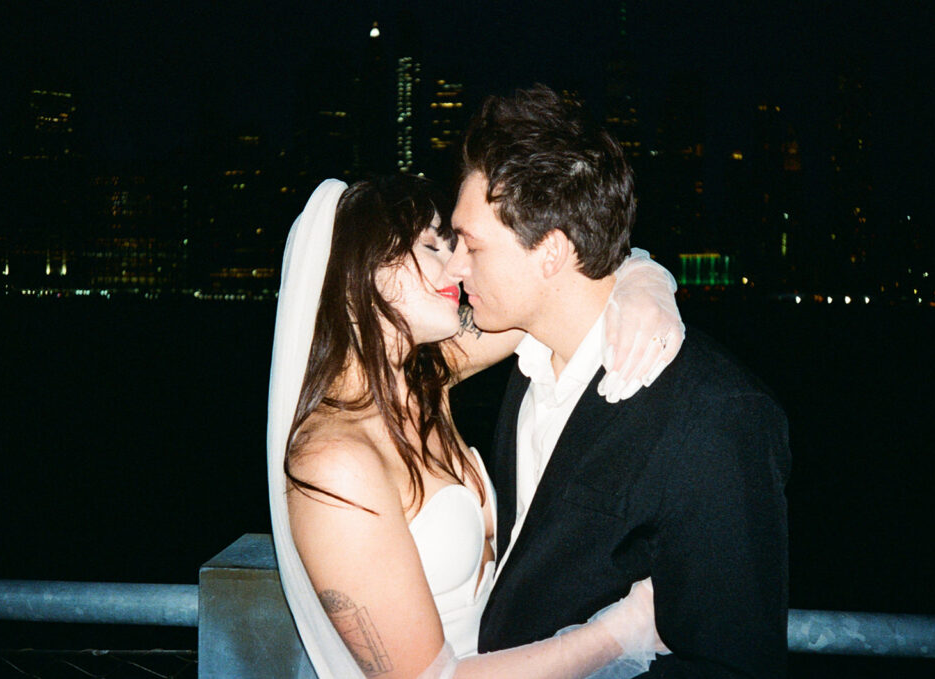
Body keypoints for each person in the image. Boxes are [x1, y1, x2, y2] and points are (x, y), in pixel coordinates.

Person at [267, 175, 684, 678]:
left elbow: (551, 291)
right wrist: (621, 633)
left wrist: (644, 279)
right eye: (428, 245)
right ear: (358, 272)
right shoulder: (333, 463)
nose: (455, 265)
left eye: (455, 244)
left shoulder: (425, 379)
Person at [446, 85, 791, 677]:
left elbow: (731, 663)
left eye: (471, 245)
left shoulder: (714, 416)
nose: (454, 265)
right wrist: (643, 269)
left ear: (551, 252)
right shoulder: (528, 362)